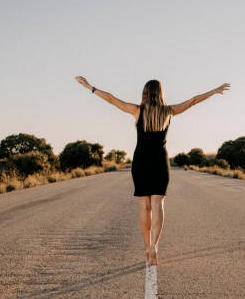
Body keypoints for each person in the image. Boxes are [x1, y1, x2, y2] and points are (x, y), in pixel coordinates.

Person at [75, 76, 230, 265]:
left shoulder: (137, 111)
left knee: (144, 207)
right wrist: (214, 91)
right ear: (161, 93)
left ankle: (147, 247)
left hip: (141, 161)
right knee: (158, 205)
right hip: (159, 161)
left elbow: (111, 99)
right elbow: (193, 101)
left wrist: (90, 87)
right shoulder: (169, 111)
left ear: (145, 93)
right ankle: (155, 246)